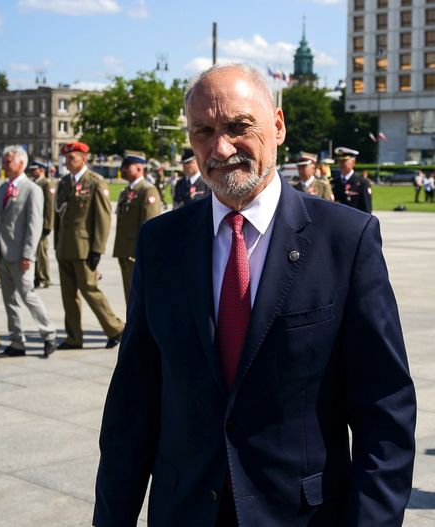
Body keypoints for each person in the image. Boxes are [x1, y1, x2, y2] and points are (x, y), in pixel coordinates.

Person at [94, 63, 416, 526]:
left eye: (238, 127)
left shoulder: (345, 240)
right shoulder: (160, 243)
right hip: (185, 511)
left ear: (278, 126)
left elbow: (384, 408)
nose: (221, 147)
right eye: (204, 131)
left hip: (301, 515)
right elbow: (133, 403)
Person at [53, 141, 124, 350]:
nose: (67, 161)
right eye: (66, 158)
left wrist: (97, 249)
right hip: (65, 247)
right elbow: (59, 216)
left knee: (89, 290)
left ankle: (115, 328)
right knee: (68, 295)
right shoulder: (64, 182)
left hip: (83, 248)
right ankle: (74, 337)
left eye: (72, 158)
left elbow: (102, 218)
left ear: (84, 159)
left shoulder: (94, 182)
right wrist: (57, 242)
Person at [0, 146, 57, 358]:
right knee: (9, 299)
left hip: (20, 255)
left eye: (8, 161)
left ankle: (49, 334)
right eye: (4, 161)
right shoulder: (2, 189)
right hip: (2, 253)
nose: (4, 165)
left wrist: (28, 254)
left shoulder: (31, 189)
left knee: (28, 295)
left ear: (21, 163)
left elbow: (34, 225)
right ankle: (17, 341)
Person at [112, 150, 161, 302]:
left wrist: (143, 253)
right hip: (124, 250)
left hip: (135, 253)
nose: (123, 169)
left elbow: (150, 226)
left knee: (139, 297)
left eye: (127, 166)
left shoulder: (147, 191)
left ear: (139, 168)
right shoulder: (126, 191)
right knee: (129, 296)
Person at [29, 158, 55, 289]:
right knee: (34, 252)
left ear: (41, 170)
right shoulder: (34, 183)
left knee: (41, 252)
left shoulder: (46, 184)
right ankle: (37, 276)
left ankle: (44, 278)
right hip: (33, 223)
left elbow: (49, 206)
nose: (31, 172)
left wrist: (47, 225)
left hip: (41, 224)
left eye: (34, 170)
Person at [332, 147, 372, 213]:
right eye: (339, 161)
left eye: (344, 161)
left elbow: (367, 211)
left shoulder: (362, 183)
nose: (341, 164)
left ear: (353, 162)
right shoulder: (333, 182)